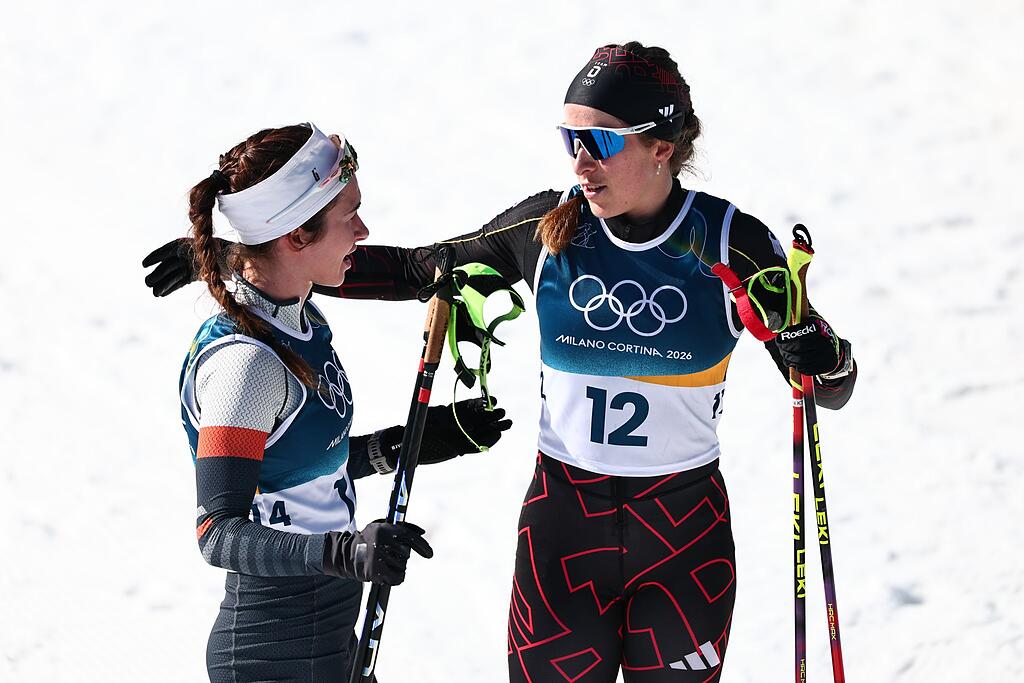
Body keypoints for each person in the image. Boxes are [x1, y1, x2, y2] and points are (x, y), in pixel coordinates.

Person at [145, 44, 856, 682]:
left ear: (662, 147)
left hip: (681, 534)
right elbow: (417, 269)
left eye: (599, 142)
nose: (579, 162)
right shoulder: (547, 226)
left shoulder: (730, 242)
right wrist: (238, 252)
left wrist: (819, 354)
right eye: (570, 140)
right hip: (565, 529)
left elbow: (828, 384)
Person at [167, 122, 511, 683]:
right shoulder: (244, 364)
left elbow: (299, 479)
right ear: (296, 236)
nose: (363, 231)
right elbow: (219, 533)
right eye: (349, 216)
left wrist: (404, 445)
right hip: (269, 658)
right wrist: (345, 553)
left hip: (332, 643)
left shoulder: (302, 321)